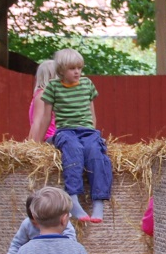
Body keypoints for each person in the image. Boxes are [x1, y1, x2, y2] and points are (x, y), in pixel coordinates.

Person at [28, 48, 112, 223]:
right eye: (72, 68)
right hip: (65, 131)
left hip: (87, 131)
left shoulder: (87, 84)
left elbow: (92, 113)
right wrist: (35, 145)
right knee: (73, 152)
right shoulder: (53, 88)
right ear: (61, 71)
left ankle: (99, 201)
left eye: (79, 68)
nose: (77, 72)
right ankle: (72, 198)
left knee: (96, 154)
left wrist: (93, 134)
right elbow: (45, 118)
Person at [28, 60, 58, 142]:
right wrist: (33, 145)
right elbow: (37, 121)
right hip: (47, 138)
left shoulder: (52, 95)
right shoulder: (43, 95)